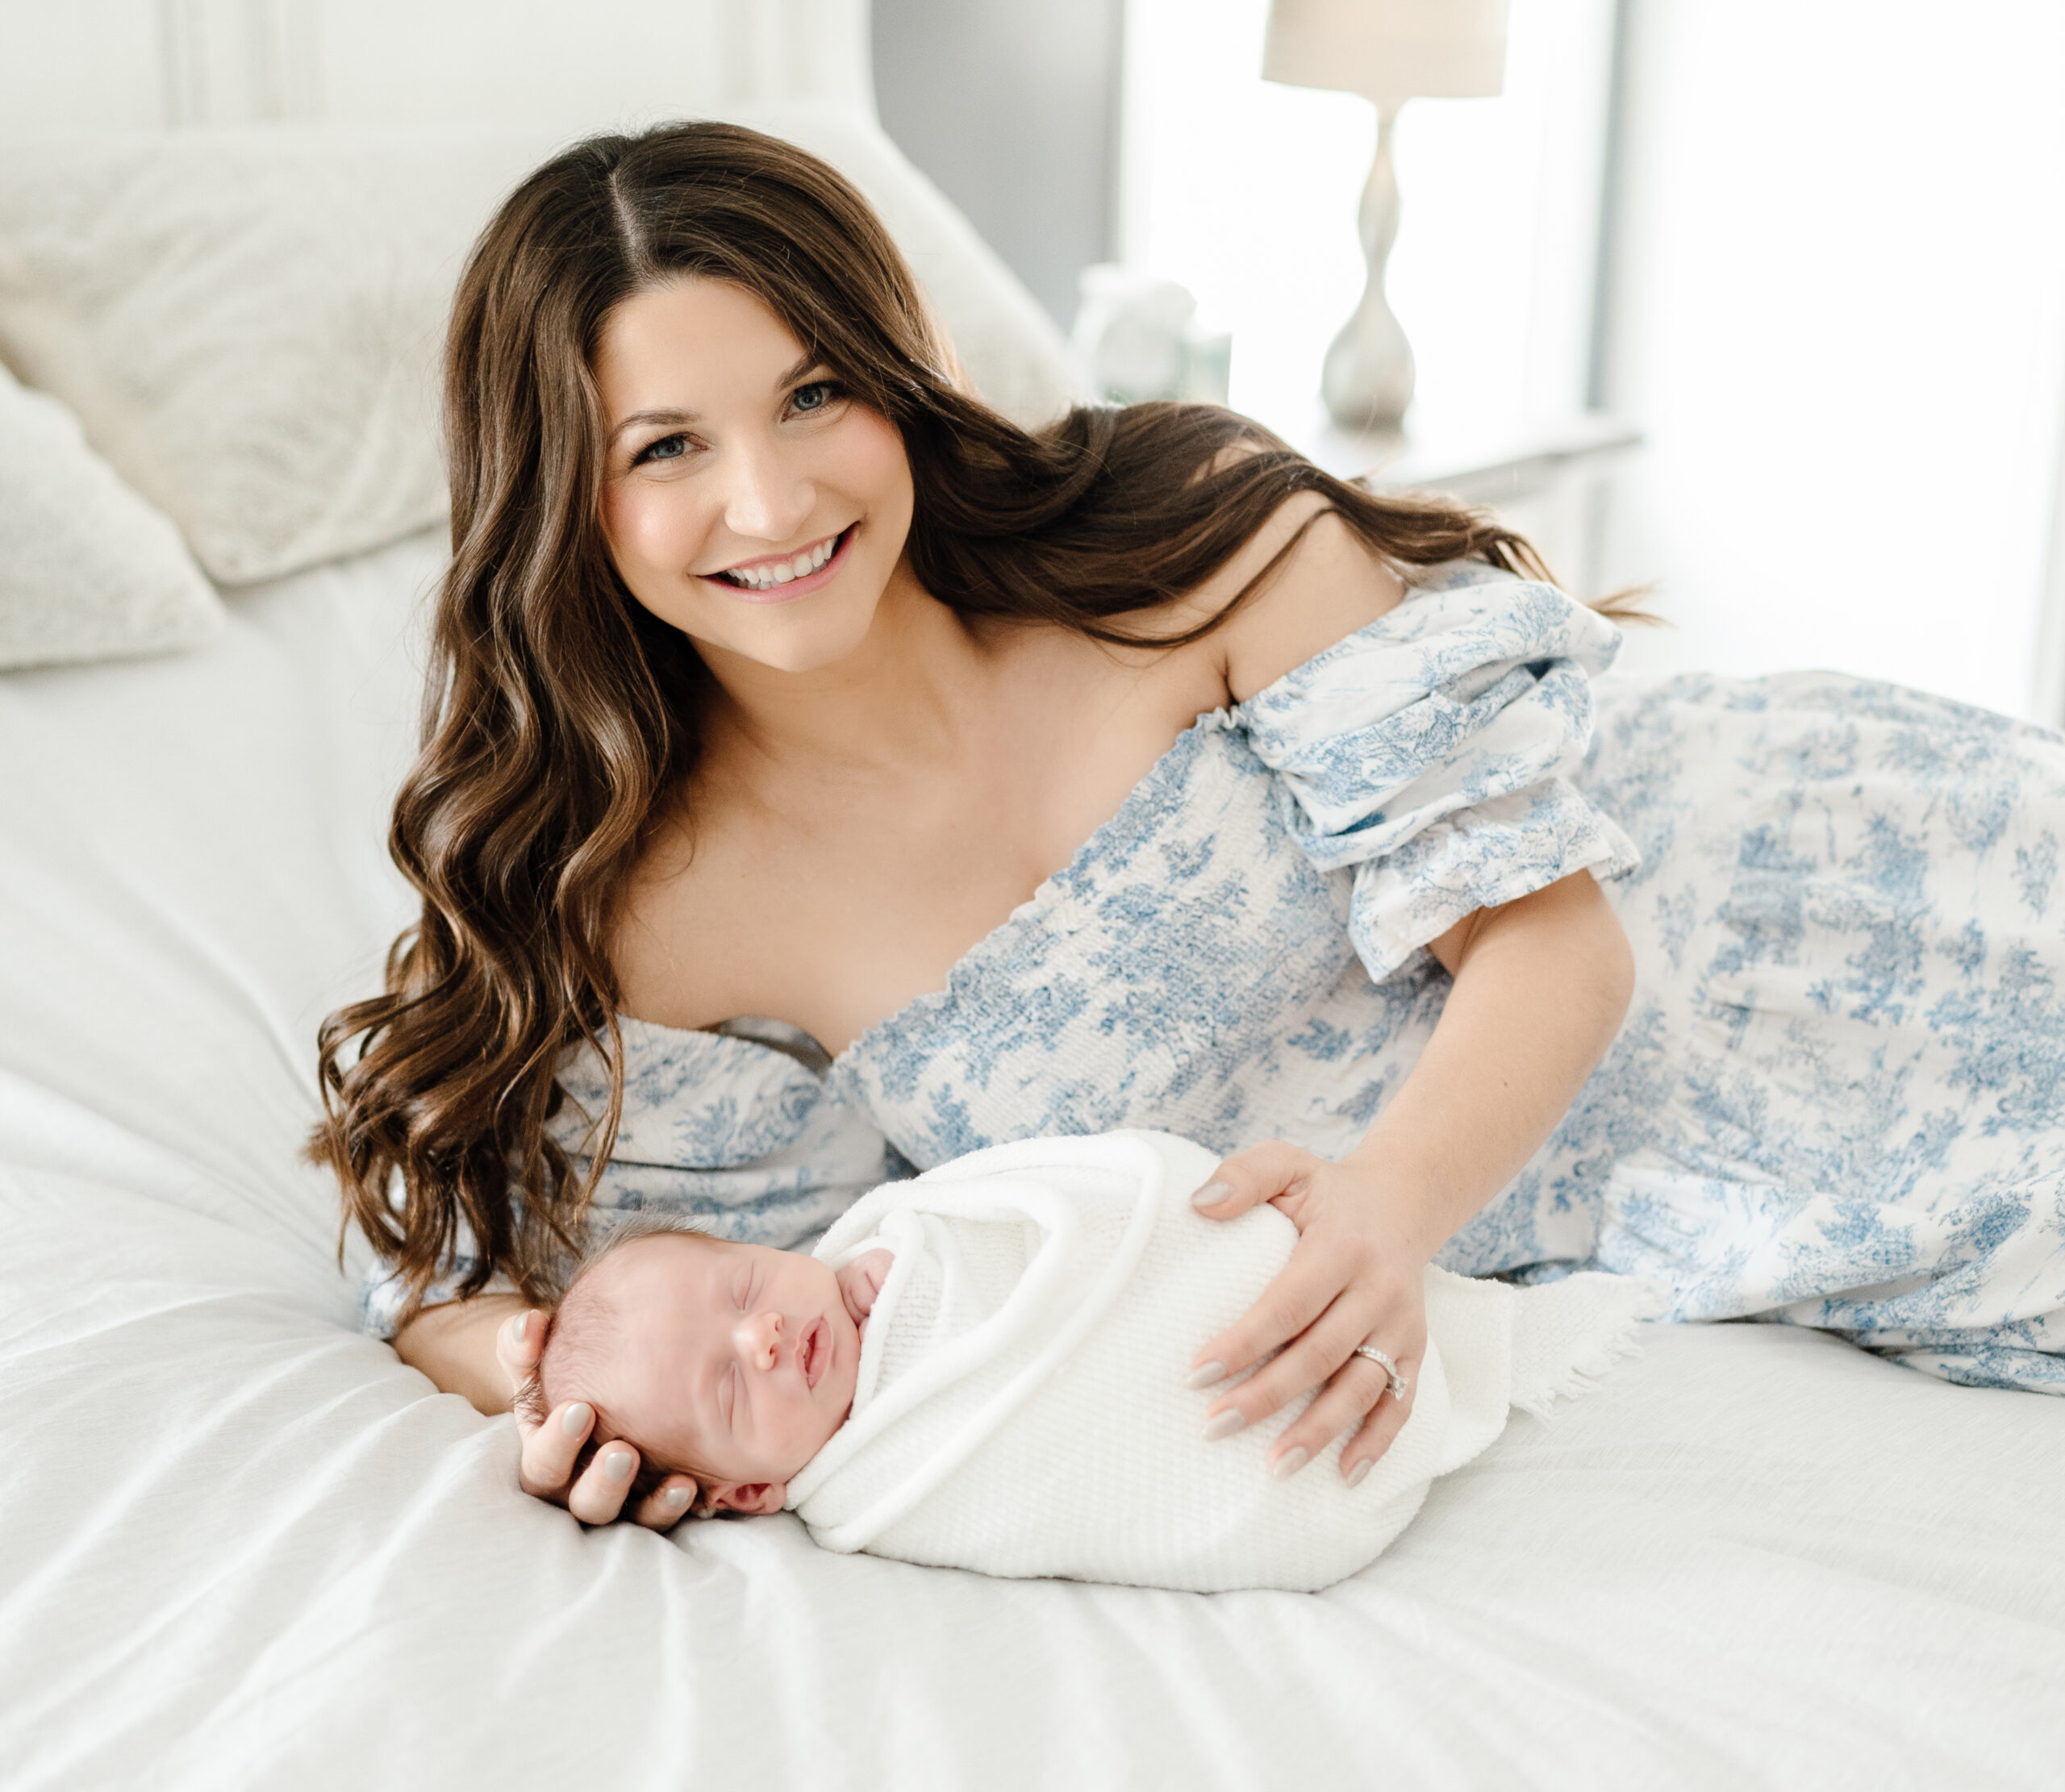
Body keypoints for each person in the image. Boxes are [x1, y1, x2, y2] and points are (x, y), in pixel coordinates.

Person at [313, 121, 2065, 1536]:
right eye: (666, 447)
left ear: (893, 377)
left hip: (1816, 872)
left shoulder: (1173, 536)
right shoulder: (664, 919)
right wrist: (550, 1384)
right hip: (1694, 1192)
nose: (768, 499)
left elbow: (1553, 933)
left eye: (812, 394)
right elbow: (469, 1282)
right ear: (564, 497)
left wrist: (1386, 1210)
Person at [518, 1129, 1651, 1590]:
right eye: (728, 1386)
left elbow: (1098, 1210)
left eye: (741, 1288)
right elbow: (1044, 1482)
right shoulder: (876, 1493)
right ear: (749, 1494)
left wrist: (895, 1282)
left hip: (1293, 1265)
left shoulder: (905, 1241)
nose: (762, 1335)